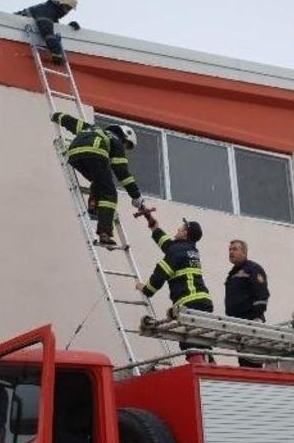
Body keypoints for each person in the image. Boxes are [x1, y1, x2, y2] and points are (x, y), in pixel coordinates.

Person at [50, 111, 146, 248]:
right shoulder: (116, 141)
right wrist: (136, 195)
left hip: (74, 154)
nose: (125, 148)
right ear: (124, 137)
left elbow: (71, 122)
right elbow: (122, 173)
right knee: (110, 194)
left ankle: (94, 204)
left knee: (99, 181)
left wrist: (56, 116)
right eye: (127, 145)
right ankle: (104, 233)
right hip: (95, 153)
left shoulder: (93, 128)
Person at [136, 217, 214, 364]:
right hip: (203, 302)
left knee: (189, 341)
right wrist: (155, 228)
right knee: (203, 340)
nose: (177, 230)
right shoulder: (189, 249)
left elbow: (161, 273)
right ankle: (210, 366)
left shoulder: (178, 251)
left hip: (189, 303)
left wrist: (146, 289)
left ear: (185, 234)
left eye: (180, 228)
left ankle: (198, 369)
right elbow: (169, 246)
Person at [224, 239, 270, 368]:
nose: (231, 252)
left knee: (253, 361)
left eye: (235, 249)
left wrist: (256, 319)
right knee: (244, 362)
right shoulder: (232, 273)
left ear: (244, 252)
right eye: (230, 249)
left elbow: (262, 294)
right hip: (238, 323)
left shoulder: (253, 268)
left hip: (251, 322)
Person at [17, 0, 80, 66]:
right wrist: (57, 53)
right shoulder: (46, 10)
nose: (66, 12)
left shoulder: (51, 13)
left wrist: (68, 29)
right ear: (59, 2)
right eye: (66, 8)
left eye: (69, 10)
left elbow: (49, 27)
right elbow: (47, 31)